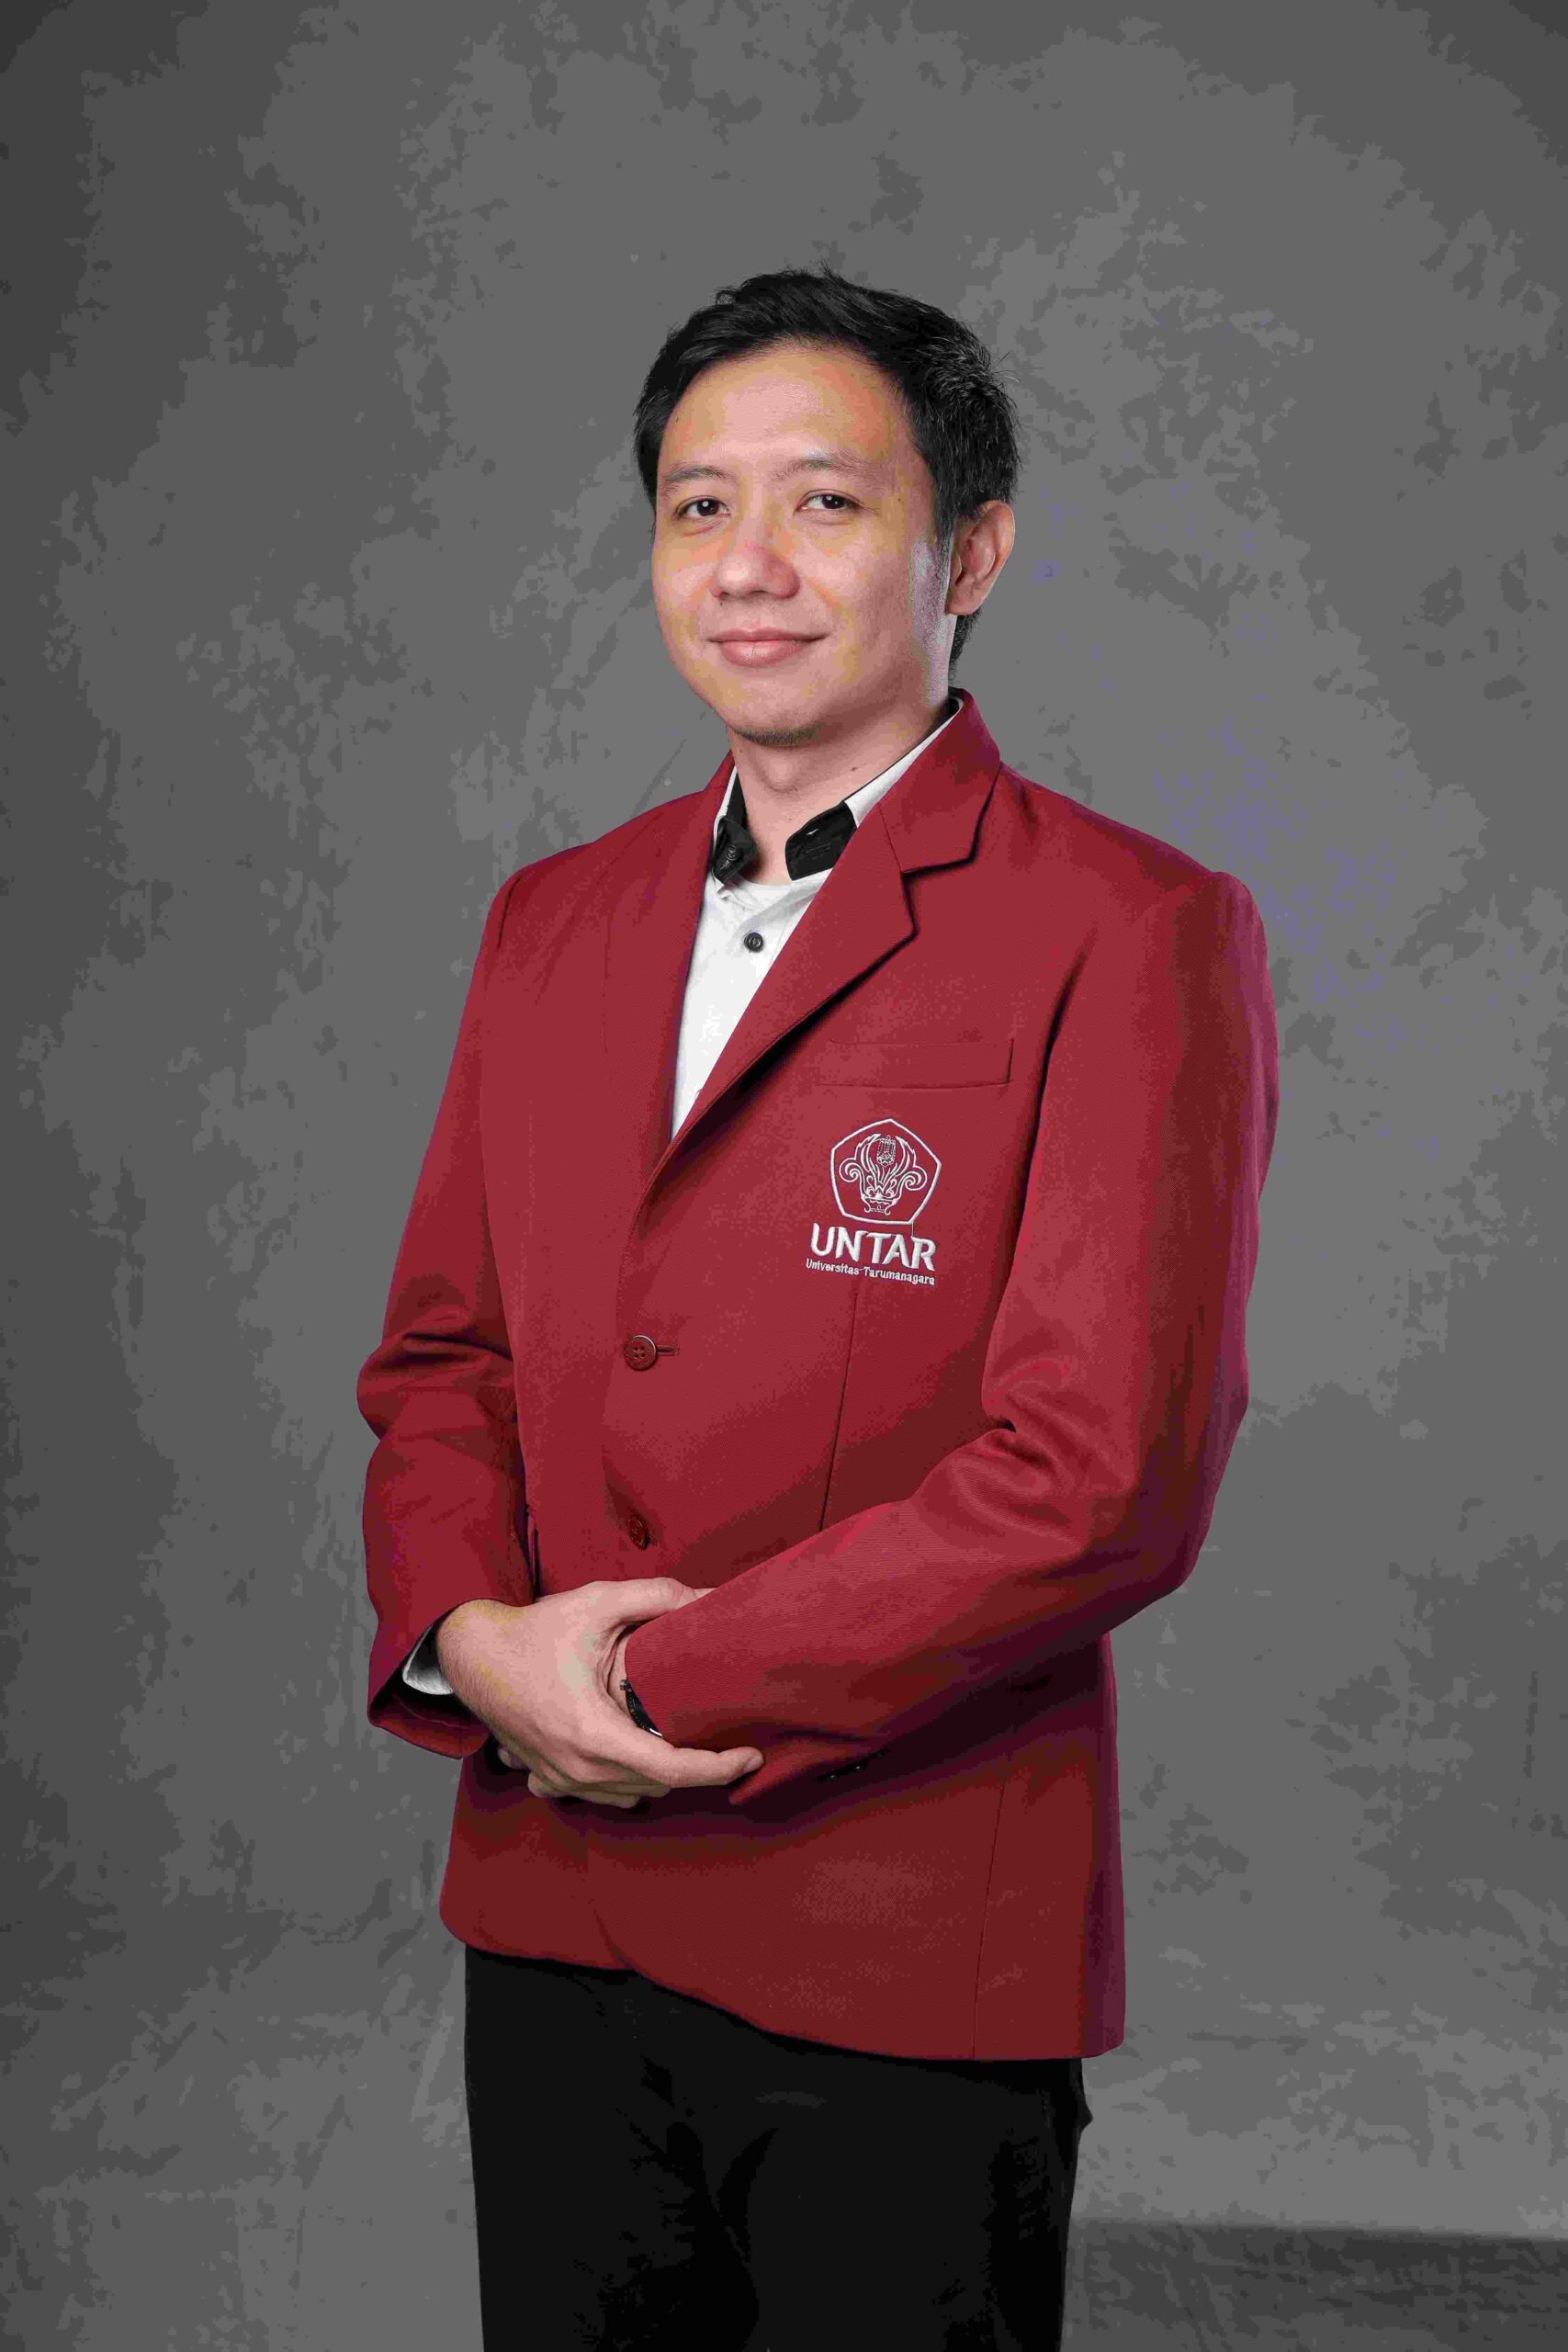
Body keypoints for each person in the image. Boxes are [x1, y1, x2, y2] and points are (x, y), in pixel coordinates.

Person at [356, 264, 1280, 2351]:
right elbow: (443, 1358)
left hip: (905, 1941)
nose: (747, 566)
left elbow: (1099, 1478)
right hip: (551, 1924)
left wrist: (636, 1685)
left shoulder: (1128, 926)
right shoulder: (549, 919)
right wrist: (471, 1639)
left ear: (972, 551)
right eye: (697, 507)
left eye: (825, 504)